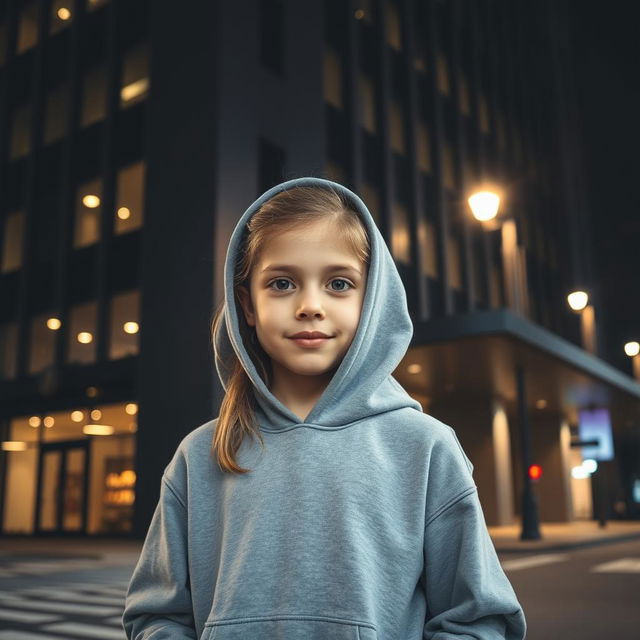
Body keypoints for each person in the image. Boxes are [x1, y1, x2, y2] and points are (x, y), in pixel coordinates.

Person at [122, 176, 527, 640]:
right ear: (246, 305)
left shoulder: (425, 446)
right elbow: (156, 614)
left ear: (371, 300)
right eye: (281, 283)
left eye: (338, 283)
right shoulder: (199, 455)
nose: (310, 305)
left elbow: (480, 619)